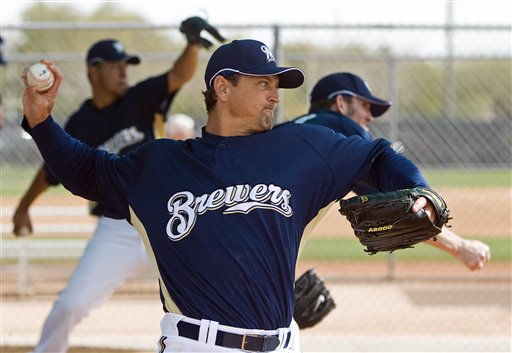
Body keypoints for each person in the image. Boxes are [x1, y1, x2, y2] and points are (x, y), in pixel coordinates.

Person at [22, 39, 444, 352]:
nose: (276, 96)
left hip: (282, 344)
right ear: (222, 88)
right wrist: (41, 123)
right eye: (264, 83)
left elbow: (376, 155)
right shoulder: (159, 165)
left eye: (277, 85)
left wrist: (420, 190)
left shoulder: (303, 148)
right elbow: (85, 169)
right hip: (197, 345)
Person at [13, 17, 224, 353]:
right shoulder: (81, 121)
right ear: (93, 72)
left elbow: (179, 75)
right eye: (115, 66)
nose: (124, 71)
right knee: (70, 304)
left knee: (218, 290)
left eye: (127, 64)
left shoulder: (140, 99)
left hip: (167, 223)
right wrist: (24, 207)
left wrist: (192, 45)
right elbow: (50, 170)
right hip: (117, 227)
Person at [291, 72, 491, 271]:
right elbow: (397, 205)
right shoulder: (342, 131)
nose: (370, 117)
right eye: (365, 106)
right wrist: (461, 247)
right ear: (341, 103)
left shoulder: (289, 128)